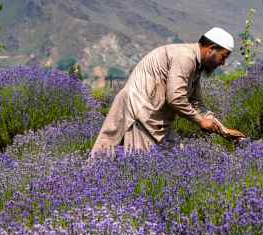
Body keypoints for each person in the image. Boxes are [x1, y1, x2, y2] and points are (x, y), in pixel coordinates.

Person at [90, 27, 246, 156]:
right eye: (223, 56)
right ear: (211, 49)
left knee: (167, 159)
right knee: (138, 164)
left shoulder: (196, 67)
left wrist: (223, 130)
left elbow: (196, 103)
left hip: (152, 115)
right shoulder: (185, 58)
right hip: (139, 110)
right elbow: (175, 98)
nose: (223, 63)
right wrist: (200, 121)